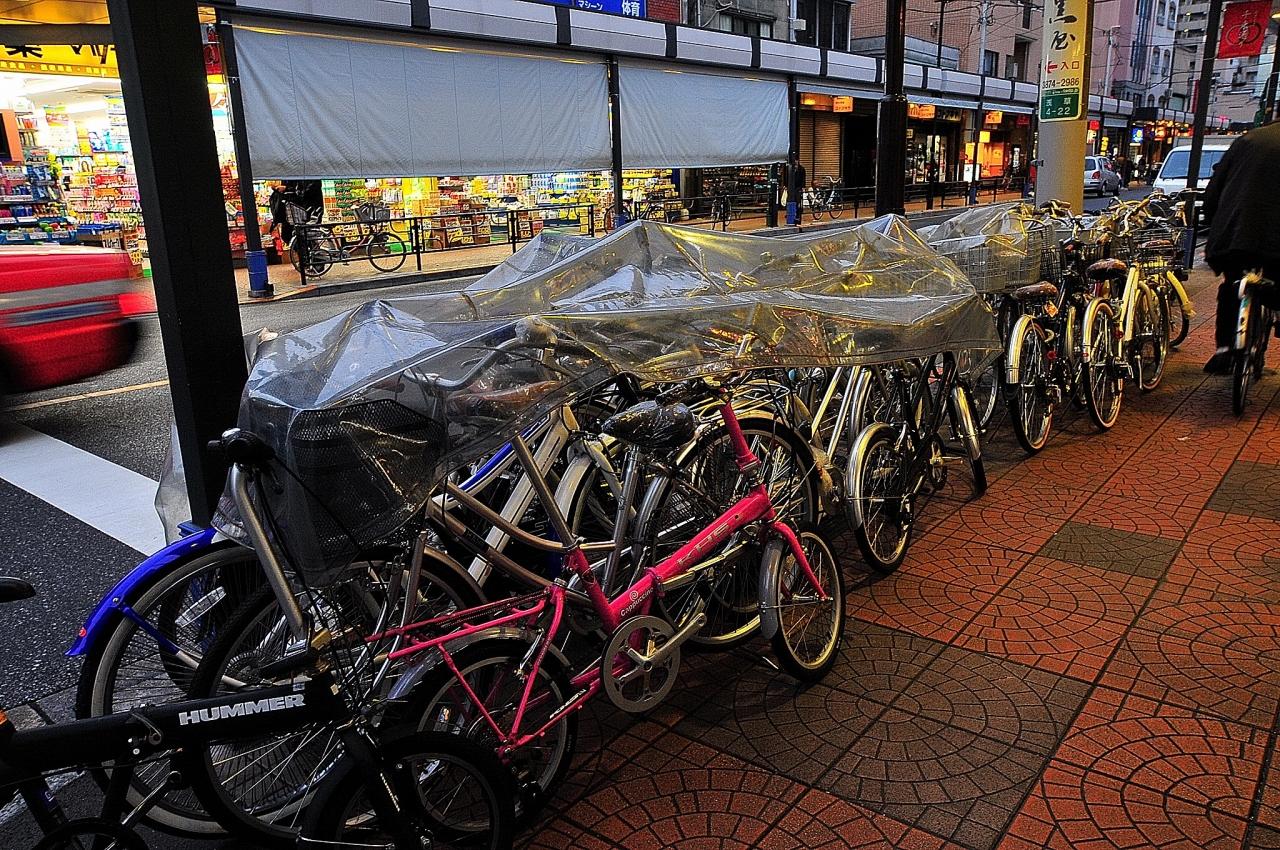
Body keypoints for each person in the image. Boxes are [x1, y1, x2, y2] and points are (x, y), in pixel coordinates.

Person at [1200, 120, 1280, 374]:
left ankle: (1224, 350)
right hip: (1275, 238)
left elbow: (1215, 188)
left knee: (1232, 284)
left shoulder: (1248, 139)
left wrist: (1213, 221)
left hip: (1236, 231)